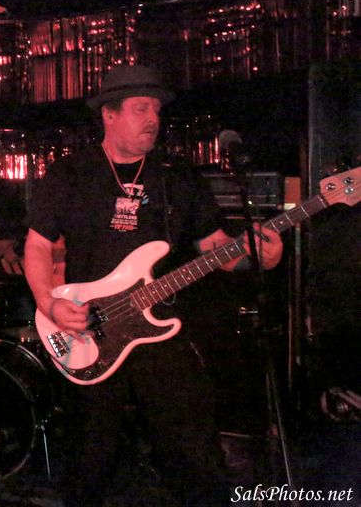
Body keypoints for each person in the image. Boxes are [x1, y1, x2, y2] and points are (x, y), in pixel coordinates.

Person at [23, 64, 284, 506]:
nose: (152, 119)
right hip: (89, 327)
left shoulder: (175, 176)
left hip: (160, 329)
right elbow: (37, 245)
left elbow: (215, 246)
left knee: (193, 447)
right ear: (109, 114)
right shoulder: (71, 173)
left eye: (157, 110)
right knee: (90, 457)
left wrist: (256, 257)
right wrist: (48, 304)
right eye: (141, 108)